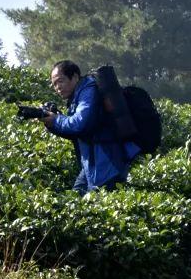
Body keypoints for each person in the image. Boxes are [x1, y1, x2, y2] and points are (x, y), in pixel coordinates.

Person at [42, 60, 140, 194]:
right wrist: (52, 124)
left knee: (97, 209)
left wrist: (57, 120)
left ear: (75, 77)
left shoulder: (89, 89)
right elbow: (77, 133)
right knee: (74, 201)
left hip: (106, 165)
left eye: (61, 81)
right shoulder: (76, 97)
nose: (58, 87)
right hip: (91, 164)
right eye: (54, 84)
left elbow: (80, 124)